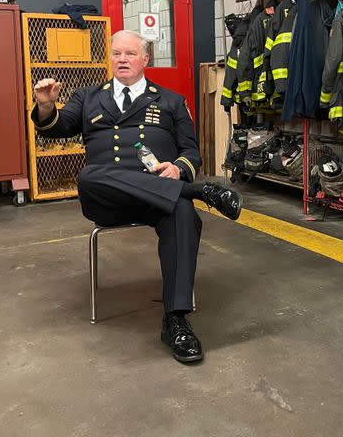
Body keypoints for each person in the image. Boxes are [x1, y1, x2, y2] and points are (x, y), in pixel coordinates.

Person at [31, 29, 242, 364]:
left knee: (183, 213)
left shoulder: (170, 101)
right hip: (107, 198)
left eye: (130, 54)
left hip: (157, 198)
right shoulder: (87, 97)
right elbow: (57, 127)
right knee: (89, 174)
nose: (122, 59)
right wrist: (45, 106)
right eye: (116, 53)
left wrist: (178, 169)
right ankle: (198, 191)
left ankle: (176, 320)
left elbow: (190, 150)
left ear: (145, 59)